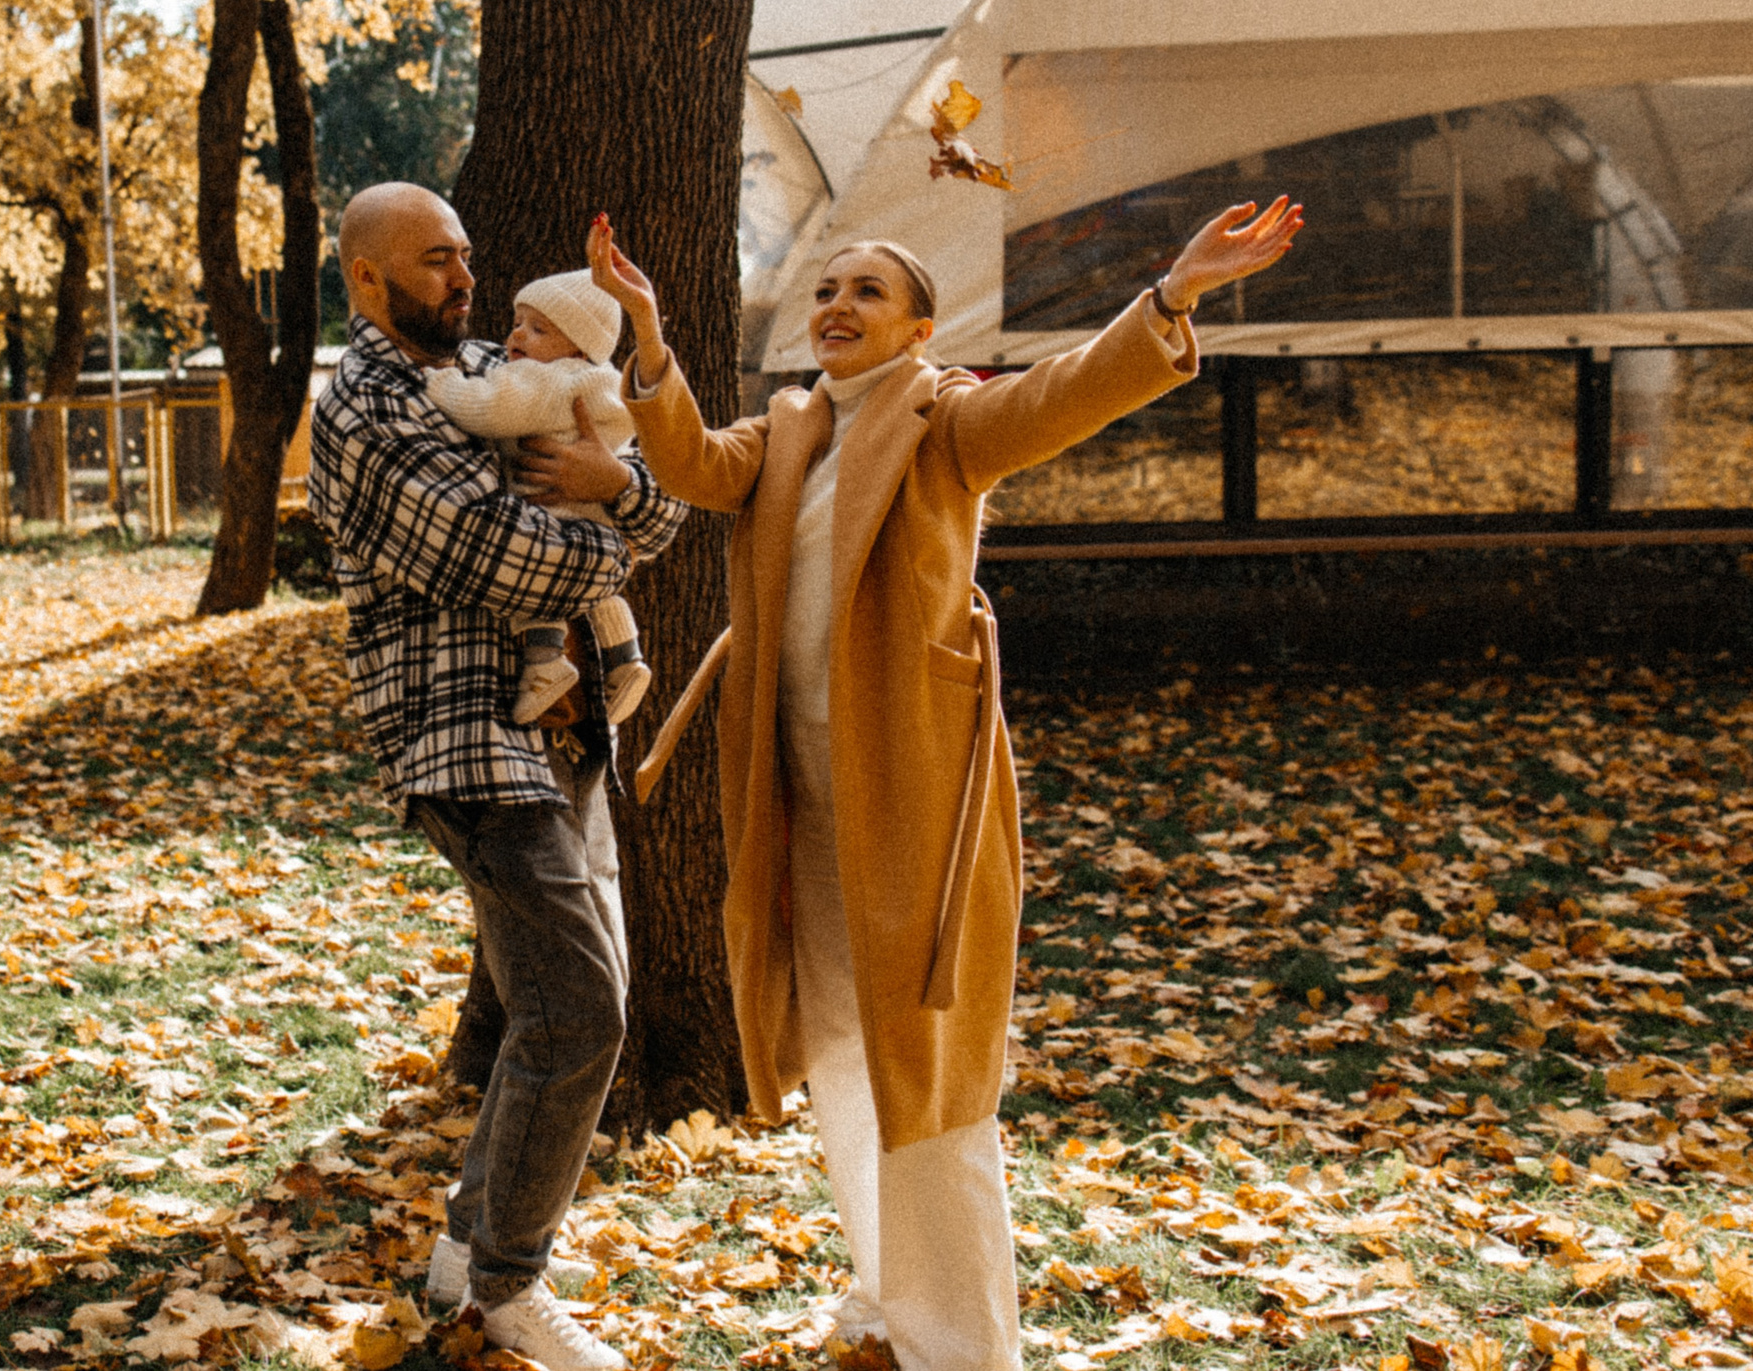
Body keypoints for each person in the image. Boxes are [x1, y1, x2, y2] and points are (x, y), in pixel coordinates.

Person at [596, 198, 1301, 1370]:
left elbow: (1061, 397)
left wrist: (1171, 296)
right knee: (835, 1043)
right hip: (796, 793)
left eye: (867, 291)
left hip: (912, 788)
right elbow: (684, 462)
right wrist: (648, 333)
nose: (837, 307)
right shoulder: (780, 432)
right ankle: (887, 1296)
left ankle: (966, 1347)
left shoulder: (945, 421)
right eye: (826, 289)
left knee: (928, 1062)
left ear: (920, 328)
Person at [308, 183, 686, 1371]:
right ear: (367, 279)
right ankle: (509, 1291)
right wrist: (607, 514)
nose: (464, 279)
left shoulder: (491, 365)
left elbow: (668, 504)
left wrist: (617, 489)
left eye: (467, 255)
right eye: (434, 261)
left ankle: (470, 1250)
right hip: (464, 739)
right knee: (581, 1008)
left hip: (565, 737)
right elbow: (499, 558)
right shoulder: (365, 405)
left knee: (553, 1007)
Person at [420, 256, 655, 727]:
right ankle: (626, 656)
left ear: (577, 350)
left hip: (548, 509)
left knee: (538, 583)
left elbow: (485, 408)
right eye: (518, 323)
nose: (517, 337)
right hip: (597, 513)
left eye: (538, 330)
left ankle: (545, 665)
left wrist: (437, 381)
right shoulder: (606, 387)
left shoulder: (543, 380)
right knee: (596, 589)